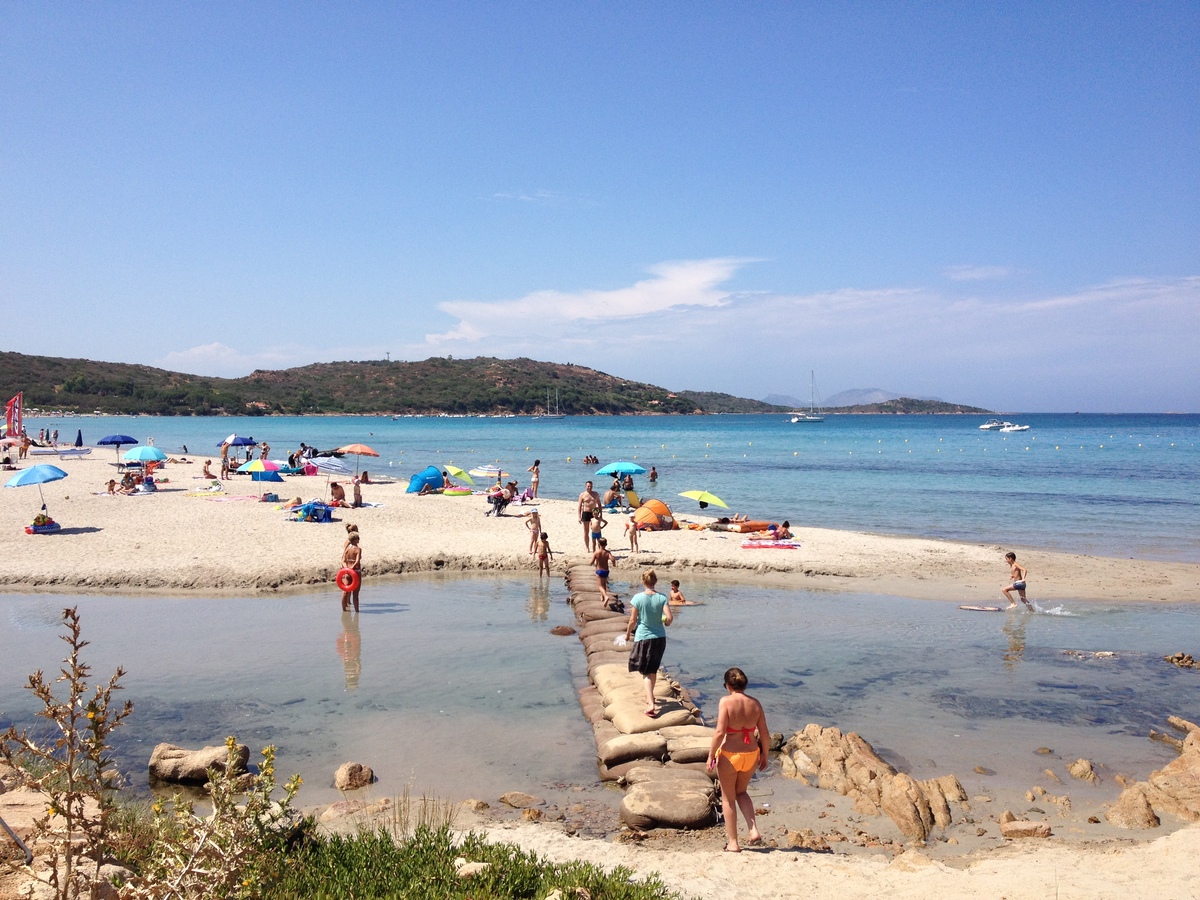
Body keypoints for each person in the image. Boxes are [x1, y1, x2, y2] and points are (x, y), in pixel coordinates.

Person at [706, 667, 769, 852]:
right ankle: (753, 830)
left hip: (730, 755)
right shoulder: (755, 703)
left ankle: (733, 843)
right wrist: (765, 754)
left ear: (727, 685)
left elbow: (719, 732)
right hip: (751, 754)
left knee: (728, 798)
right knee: (741, 792)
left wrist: (711, 755)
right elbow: (764, 733)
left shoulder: (725, 702)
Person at [622, 568, 673, 717]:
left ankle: (651, 703)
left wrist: (627, 635)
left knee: (645, 672)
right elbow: (669, 618)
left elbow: (632, 620)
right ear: (655, 582)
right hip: (659, 638)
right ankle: (650, 695)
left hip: (644, 637)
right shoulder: (662, 597)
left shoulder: (637, 598)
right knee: (653, 668)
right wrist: (664, 621)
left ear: (642, 582)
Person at [341, 532, 362, 612]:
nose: (359, 539)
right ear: (355, 540)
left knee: (345, 592)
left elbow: (343, 561)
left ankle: (344, 610)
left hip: (346, 572)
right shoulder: (358, 549)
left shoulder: (347, 549)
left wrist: (347, 568)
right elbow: (357, 561)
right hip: (355, 572)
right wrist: (352, 568)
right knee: (355, 594)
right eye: (358, 538)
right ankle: (357, 611)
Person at [577, 480, 601, 549]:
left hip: (594, 513)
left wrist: (601, 514)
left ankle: (597, 546)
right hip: (586, 513)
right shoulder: (582, 495)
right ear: (585, 486)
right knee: (586, 531)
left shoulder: (595, 494)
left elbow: (599, 504)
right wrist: (579, 516)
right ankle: (587, 547)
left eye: (590, 486)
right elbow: (579, 506)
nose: (589, 488)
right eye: (588, 486)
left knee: (596, 530)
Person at [592, 538, 615, 603]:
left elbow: (592, 561)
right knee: (604, 584)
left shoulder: (596, 552)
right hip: (606, 571)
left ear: (598, 544)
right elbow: (613, 559)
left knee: (600, 586)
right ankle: (603, 597)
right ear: (606, 544)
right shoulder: (607, 552)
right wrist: (614, 564)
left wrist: (590, 564)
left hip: (599, 571)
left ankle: (605, 596)